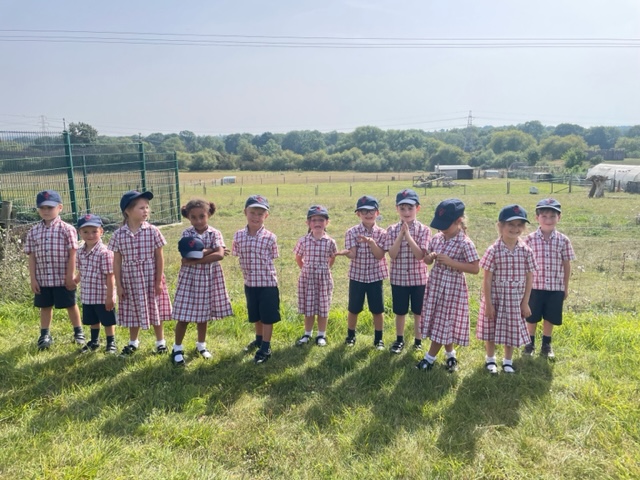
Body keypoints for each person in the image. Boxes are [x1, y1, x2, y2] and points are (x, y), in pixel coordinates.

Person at [416, 199, 479, 372]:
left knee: (442, 323)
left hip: (452, 289)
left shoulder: (465, 243)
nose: (441, 228)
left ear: (458, 221)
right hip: (436, 286)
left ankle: (429, 359)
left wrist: (452, 263)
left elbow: (475, 268)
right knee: (442, 322)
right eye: (439, 225)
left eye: (445, 225)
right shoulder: (437, 238)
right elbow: (427, 259)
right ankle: (451, 356)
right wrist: (429, 257)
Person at [108, 190, 172, 356]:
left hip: (150, 277)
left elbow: (159, 257)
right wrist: (119, 285)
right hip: (130, 279)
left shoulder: (152, 231)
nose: (146, 211)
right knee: (133, 310)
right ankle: (133, 342)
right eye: (141, 208)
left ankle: (161, 343)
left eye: (147, 207)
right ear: (127, 211)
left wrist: (158, 280)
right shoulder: (118, 235)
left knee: (155, 308)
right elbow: (116, 261)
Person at [170, 199, 232, 366]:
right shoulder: (186, 234)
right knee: (183, 316)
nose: (198, 221)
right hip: (189, 280)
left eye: (202, 216)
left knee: (203, 315)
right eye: (194, 217)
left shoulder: (215, 233)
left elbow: (219, 256)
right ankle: (177, 347)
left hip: (208, 278)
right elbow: (188, 255)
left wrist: (197, 259)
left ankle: (201, 345)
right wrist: (212, 250)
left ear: (209, 214)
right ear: (188, 217)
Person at [477, 204, 537, 374]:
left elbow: (529, 277)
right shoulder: (493, 250)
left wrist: (525, 302)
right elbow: (487, 278)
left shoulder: (526, 251)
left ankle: (507, 361)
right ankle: (490, 359)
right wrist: (488, 304)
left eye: (519, 225)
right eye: (511, 224)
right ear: (501, 226)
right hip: (496, 296)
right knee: (491, 328)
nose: (515, 229)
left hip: (515, 299)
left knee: (511, 329)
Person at [24, 190, 85, 349]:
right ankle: (44, 335)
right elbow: (31, 256)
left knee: (70, 304)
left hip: (62, 277)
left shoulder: (67, 229)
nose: (46, 211)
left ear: (60, 208)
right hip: (43, 278)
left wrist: (70, 275)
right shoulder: (33, 231)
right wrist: (33, 278)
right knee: (45, 306)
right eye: (42, 208)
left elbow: (73, 253)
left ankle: (78, 332)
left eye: (50, 207)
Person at [523, 198, 575, 359]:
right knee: (532, 316)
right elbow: (524, 264)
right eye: (544, 216)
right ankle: (529, 343)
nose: (548, 220)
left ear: (559, 218)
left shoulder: (563, 240)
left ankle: (546, 344)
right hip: (534, 287)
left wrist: (565, 287)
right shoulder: (529, 239)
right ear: (537, 217)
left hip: (555, 287)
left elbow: (566, 265)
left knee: (550, 316)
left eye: (552, 216)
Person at [232, 195, 281, 364]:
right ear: (245, 212)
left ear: (266, 216)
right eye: (252, 212)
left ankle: (266, 347)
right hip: (250, 283)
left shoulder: (270, 237)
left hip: (267, 283)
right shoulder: (238, 236)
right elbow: (236, 253)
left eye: (260, 214)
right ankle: (259, 339)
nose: (256, 217)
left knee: (267, 316)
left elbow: (273, 257)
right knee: (257, 315)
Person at [335, 195, 388, 350]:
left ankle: (378, 339)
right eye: (363, 211)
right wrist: (345, 253)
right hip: (357, 276)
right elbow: (353, 254)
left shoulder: (382, 234)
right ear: (358, 214)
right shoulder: (352, 232)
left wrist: (371, 242)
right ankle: (350, 336)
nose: (368, 214)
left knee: (377, 310)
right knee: (354, 308)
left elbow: (379, 255)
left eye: (371, 210)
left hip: (375, 276)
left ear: (377, 213)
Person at [385, 189, 430, 354]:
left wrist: (408, 236)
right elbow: (392, 254)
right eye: (402, 208)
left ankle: (418, 341)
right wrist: (400, 235)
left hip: (419, 279)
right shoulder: (390, 230)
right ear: (397, 209)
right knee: (400, 311)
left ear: (417, 209)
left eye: (410, 208)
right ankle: (399, 340)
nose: (406, 212)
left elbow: (420, 255)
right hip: (398, 279)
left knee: (418, 312)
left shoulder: (424, 230)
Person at [293, 205, 338, 347]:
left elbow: (332, 257)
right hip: (307, 278)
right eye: (314, 220)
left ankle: (321, 335)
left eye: (321, 220)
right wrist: (306, 269)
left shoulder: (330, 242)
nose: (317, 223)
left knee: (323, 308)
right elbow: (298, 258)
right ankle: (307, 333)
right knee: (309, 307)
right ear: (308, 223)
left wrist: (325, 269)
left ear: (327, 222)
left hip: (323, 278)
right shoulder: (303, 240)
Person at [75, 214, 117, 354]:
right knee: (93, 319)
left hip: (102, 294)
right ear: (79, 232)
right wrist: (76, 280)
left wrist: (110, 296)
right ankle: (94, 341)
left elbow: (110, 275)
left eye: (94, 231)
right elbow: (82, 269)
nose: (90, 235)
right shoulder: (80, 252)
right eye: (85, 232)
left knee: (107, 320)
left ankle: (111, 342)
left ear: (101, 231)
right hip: (88, 294)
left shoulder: (104, 252)